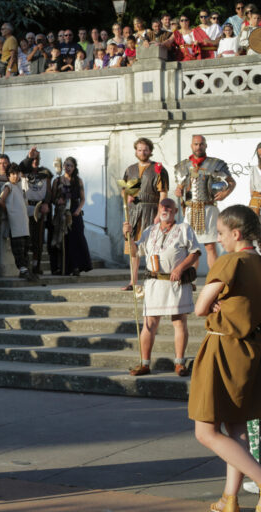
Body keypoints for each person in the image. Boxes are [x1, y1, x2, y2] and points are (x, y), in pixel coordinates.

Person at [189, 205, 261, 512]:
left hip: (223, 349)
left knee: (205, 431)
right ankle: (229, 498)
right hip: (250, 347)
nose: (218, 240)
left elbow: (200, 307)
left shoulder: (231, 260)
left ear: (236, 233)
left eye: (221, 233)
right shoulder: (259, 261)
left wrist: (212, 299)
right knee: (236, 427)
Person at [124, 199, 200, 377]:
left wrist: (180, 268)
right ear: (158, 210)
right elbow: (136, 252)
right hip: (154, 282)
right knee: (149, 324)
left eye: (169, 208)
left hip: (177, 283)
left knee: (179, 321)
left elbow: (195, 251)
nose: (165, 210)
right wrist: (127, 236)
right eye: (162, 207)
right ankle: (145, 364)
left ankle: (179, 363)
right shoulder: (150, 231)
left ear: (175, 211)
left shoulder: (184, 229)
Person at [174, 135, 235, 269]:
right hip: (191, 210)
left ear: (206, 145)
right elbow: (180, 188)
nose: (198, 147)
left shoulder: (215, 164)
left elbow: (231, 182)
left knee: (210, 246)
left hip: (209, 209)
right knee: (191, 247)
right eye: (196, 144)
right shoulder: (183, 166)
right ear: (191, 146)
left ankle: (213, 278)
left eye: (201, 144)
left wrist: (225, 193)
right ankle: (191, 280)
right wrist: (178, 191)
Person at [121, 138, 170, 290]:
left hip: (151, 209)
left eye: (145, 150)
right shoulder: (131, 170)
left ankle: (154, 279)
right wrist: (127, 194)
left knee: (152, 246)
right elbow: (125, 189)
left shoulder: (158, 168)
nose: (142, 152)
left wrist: (160, 213)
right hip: (135, 212)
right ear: (136, 151)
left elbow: (163, 192)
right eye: (140, 150)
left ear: (150, 151)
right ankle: (133, 282)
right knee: (132, 247)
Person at [51, 157, 92, 275]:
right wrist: (57, 201)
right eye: (66, 165)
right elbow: (53, 198)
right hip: (62, 212)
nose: (68, 167)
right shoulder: (57, 181)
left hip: (75, 212)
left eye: (71, 166)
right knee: (65, 241)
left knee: (77, 238)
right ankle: (66, 267)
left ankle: (77, 267)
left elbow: (83, 199)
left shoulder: (78, 181)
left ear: (74, 168)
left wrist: (78, 210)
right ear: (63, 165)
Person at [19, 147, 52, 275]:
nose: (35, 161)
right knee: (27, 239)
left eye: (37, 158)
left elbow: (49, 190)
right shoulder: (24, 171)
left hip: (39, 208)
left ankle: (36, 266)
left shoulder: (45, 172)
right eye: (33, 159)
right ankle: (26, 267)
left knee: (38, 240)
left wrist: (46, 203)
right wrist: (29, 156)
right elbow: (21, 167)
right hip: (26, 207)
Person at [0, 164, 34, 279]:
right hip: (15, 222)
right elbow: (1, 201)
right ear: (8, 176)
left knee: (25, 247)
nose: (15, 176)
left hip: (23, 222)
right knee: (18, 246)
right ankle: (22, 269)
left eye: (17, 173)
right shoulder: (8, 186)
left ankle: (25, 270)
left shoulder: (19, 187)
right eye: (12, 174)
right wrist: (8, 211)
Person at [250, 142, 261, 216]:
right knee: (252, 218)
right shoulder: (254, 169)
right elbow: (251, 189)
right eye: (260, 155)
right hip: (257, 196)